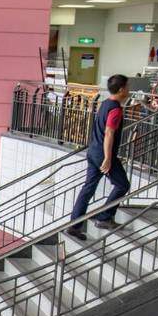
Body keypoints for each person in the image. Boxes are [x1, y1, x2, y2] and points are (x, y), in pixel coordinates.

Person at [67, 74, 132, 241]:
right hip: (103, 154)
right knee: (122, 184)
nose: (129, 91)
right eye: (128, 87)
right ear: (122, 89)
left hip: (93, 151)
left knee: (88, 188)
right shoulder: (115, 109)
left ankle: (74, 225)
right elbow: (109, 133)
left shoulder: (104, 104)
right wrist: (108, 158)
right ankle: (104, 217)